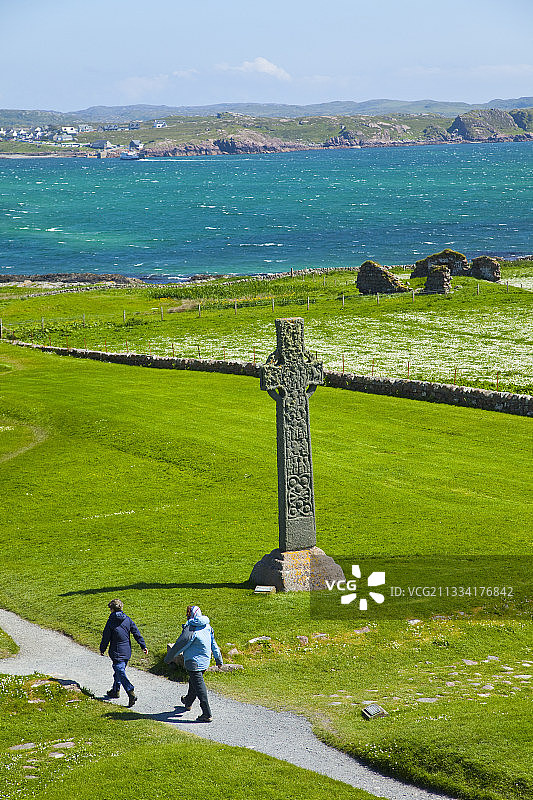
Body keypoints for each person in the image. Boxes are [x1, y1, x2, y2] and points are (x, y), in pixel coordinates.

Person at [164, 605, 223, 722]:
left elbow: (180, 645)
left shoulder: (190, 628)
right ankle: (188, 702)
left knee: (200, 688)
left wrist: (168, 658)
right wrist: (218, 659)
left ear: (190, 615)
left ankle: (207, 713)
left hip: (193, 662)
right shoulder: (207, 626)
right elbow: (214, 645)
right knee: (194, 682)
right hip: (205, 661)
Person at [100, 598, 148, 707]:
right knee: (119, 670)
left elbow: (106, 637)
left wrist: (102, 649)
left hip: (116, 652)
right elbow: (136, 633)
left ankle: (130, 692)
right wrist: (143, 646)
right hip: (127, 651)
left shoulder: (110, 621)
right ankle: (115, 691)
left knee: (119, 670)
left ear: (112, 609)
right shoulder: (127, 619)